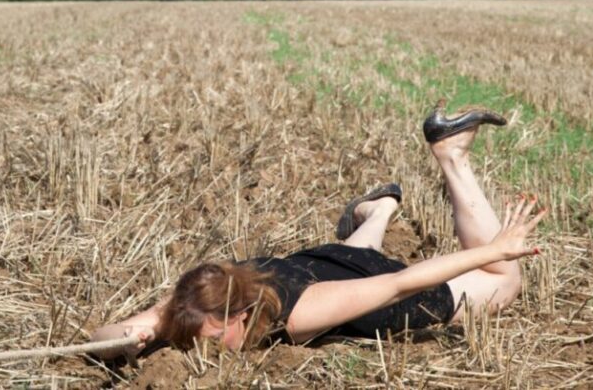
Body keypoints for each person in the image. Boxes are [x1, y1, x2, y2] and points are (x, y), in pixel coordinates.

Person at [90, 102, 547, 359]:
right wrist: (131, 337)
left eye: (213, 341)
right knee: (349, 256)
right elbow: (99, 339)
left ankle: (451, 156)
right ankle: (380, 210)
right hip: (328, 263)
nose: (204, 350)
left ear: (243, 315)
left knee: (505, 280)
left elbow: (401, 282)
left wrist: (497, 250)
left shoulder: (302, 312)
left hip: (370, 290)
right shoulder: (196, 300)